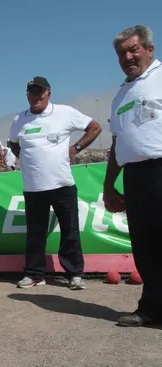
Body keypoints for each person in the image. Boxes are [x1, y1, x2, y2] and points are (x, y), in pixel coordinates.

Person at [9, 76, 102, 290]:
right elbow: (13, 143)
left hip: (62, 184)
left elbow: (95, 128)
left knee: (70, 231)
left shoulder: (65, 112)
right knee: (35, 233)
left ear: (48, 93)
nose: (36, 97)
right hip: (33, 188)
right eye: (32, 93)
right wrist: (26, 159)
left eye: (40, 92)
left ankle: (74, 274)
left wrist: (75, 149)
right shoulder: (18, 120)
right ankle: (34, 274)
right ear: (27, 96)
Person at [104, 25, 162, 327]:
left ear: (150, 50)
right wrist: (108, 185)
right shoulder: (120, 95)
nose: (128, 56)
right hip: (135, 176)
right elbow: (117, 144)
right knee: (145, 244)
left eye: (134, 49)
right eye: (122, 53)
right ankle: (152, 308)